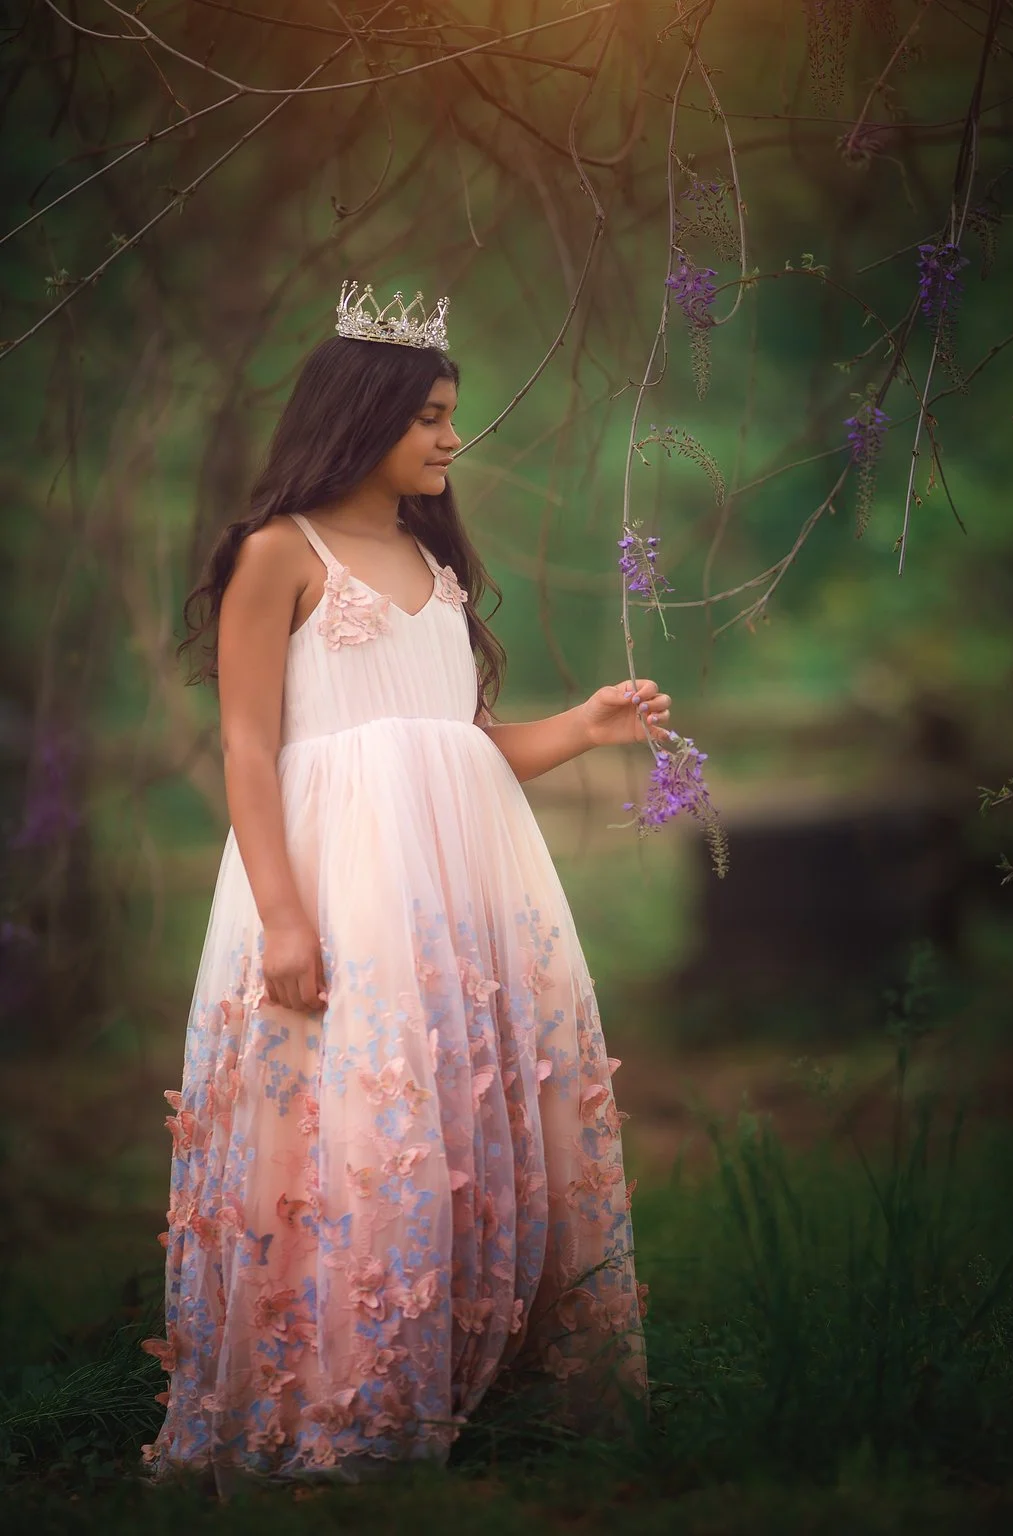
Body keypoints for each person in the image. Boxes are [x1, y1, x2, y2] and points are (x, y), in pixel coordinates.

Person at [141, 283, 671, 1493]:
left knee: (468, 1116)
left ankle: (484, 1375)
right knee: (362, 1125)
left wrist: (582, 727)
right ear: (360, 416)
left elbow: (462, 745)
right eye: (430, 417)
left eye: (451, 416)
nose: (449, 439)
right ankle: (344, 1396)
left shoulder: (433, 558)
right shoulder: (280, 554)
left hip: (459, 887)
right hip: (345, 880)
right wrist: (283, 911)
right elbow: (244, 744)